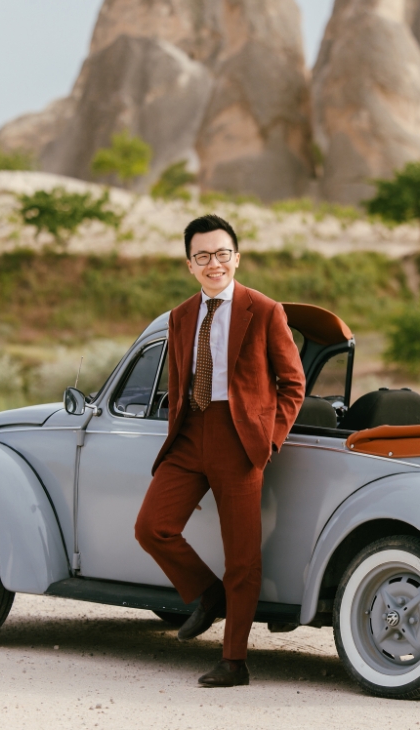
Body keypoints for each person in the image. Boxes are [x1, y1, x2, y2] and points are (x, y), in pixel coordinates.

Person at [134, 214, 305, 687]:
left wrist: (268, 440)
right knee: (153, 527)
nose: (215, 263)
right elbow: (177, 379)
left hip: (240, 438)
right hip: (190, 434)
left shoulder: (264, 310)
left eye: (222, 253)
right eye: (203, 256)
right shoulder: (180, 316)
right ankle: (209, 596)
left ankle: (234, 661)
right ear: (190, 264)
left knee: (243, 557)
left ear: (237, 257)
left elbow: (293, 384)